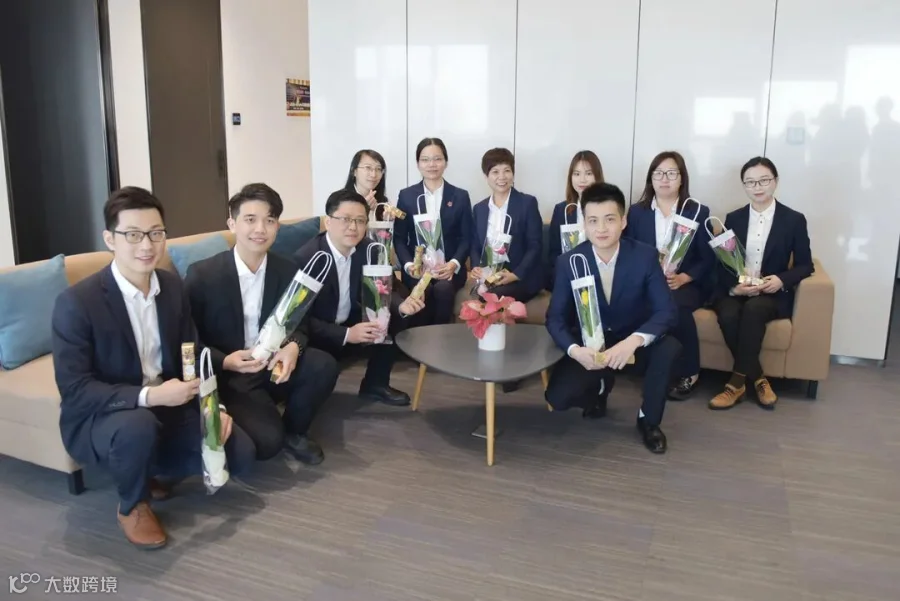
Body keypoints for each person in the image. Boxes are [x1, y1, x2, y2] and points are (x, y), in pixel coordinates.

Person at [51, 187, 256, 550]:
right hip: (106, 415)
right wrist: (149, 396)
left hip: (169, 405)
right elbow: (76, 389)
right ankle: (132, 504)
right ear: (110, 239)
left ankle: (149, 468)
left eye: (155, 233)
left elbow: (192, 355)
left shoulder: (172, 287)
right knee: (138, 426)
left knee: (239, 453)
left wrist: (213, 407)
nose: (146, 245)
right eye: (133, 235)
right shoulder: (77, 302)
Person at [185, 183, 339, 465]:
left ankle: (295, 431)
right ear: (232, 224)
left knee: (323, 365)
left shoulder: (288, 269)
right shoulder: (203, 275)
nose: (260, 229)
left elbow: (301, 322)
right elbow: (188, 341)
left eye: (269, 220)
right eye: (250, 219)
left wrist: (293, 347)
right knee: (267, 443)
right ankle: (259, 420)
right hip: (232, 374)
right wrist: (226, 361)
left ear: (277, 226)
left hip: (273, 364)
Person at [544, 182, 680, 454]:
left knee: (669, 348)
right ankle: (601, 386)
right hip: (591, 347)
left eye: (609, 219)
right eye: (593, 221)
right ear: (584, 224)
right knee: (557, 399)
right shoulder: (569, 261)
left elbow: (666, 310)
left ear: (623, 221)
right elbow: (554, 318)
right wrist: (575, 351)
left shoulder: (644, 256)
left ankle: (649, 420)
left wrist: (634, 341)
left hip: (632, 343)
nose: (601, 229)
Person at [295, 189, 426, 406]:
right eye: (346, 219)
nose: (353, 227)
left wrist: (402, 306)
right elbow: (300, 320)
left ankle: (375, 385)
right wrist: (347, 334)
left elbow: (386, 288)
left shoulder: (371, 249)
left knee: (394, 314)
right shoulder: (308, 259)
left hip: (352, 320)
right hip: (318, 333)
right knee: (322, 373)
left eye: (360, 221)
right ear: (328, 222)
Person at [710, 157, 813, 410]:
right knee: (728, 314)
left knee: (754, 310)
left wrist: (781, 280)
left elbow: (805, 265)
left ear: (775, 181)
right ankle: (758, 379)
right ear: (744, 186)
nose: (757, 187)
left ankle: (735, 385)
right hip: (740, 289)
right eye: (750, 182)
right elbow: (724, 262)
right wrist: (734, 287)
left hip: (770, 293)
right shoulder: (733, 218)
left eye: (764, 180)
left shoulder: (793, 219)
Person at [624, 151, 713, 400]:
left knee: (672, 305)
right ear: (650, 178)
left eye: (671, 173)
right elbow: (628, 252)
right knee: (645, 302)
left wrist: (684, 277)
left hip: (684, 284)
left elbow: (707, 259)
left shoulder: (696, 211)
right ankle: (654, 369)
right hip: (647, 283)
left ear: (682, 178)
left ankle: (690, 372)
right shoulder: (637, 212)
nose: (665, 179)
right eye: (659, 173)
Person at [395, 137, 474, 324]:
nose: (432, 164)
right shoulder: (406, 196)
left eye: (437, 159)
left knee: (443, 289)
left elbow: (467, 237)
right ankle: (420, 338)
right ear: (418, 164)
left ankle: (441, 336)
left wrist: (454, 264)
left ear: (445, 162)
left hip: (448, 270)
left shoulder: (460, 196)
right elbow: (399, 238)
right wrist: (409, 266)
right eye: (425, 160)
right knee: (422, 288)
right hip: (417, 270)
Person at [470, 148, 544, 304]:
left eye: (507, 171)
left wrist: (515, 275)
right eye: (495, 172)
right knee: (485, 293)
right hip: (490, 276)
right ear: (486, 176)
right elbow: (475, 245)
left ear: (513, 173)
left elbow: (535, 245)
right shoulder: (479, 209)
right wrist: (476, 267)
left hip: (520, 277)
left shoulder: (527, 203)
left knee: (490, 297)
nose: (502, 177)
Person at [546, 150, 604, 288]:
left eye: (588, 173)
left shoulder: (608, 209)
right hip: (567, 277)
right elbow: (554, 253)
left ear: (597, 176)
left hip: (599, 277)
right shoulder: (561, 210)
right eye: (577, 174)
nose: (582, 180)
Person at [345, 149, 388, 216]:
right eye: (368, 167)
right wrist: (363, 208)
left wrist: (388, 220)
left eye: (378, 169)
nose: (373, 175)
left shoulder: (384, 203)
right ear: (354, 171)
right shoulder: (339, 201)